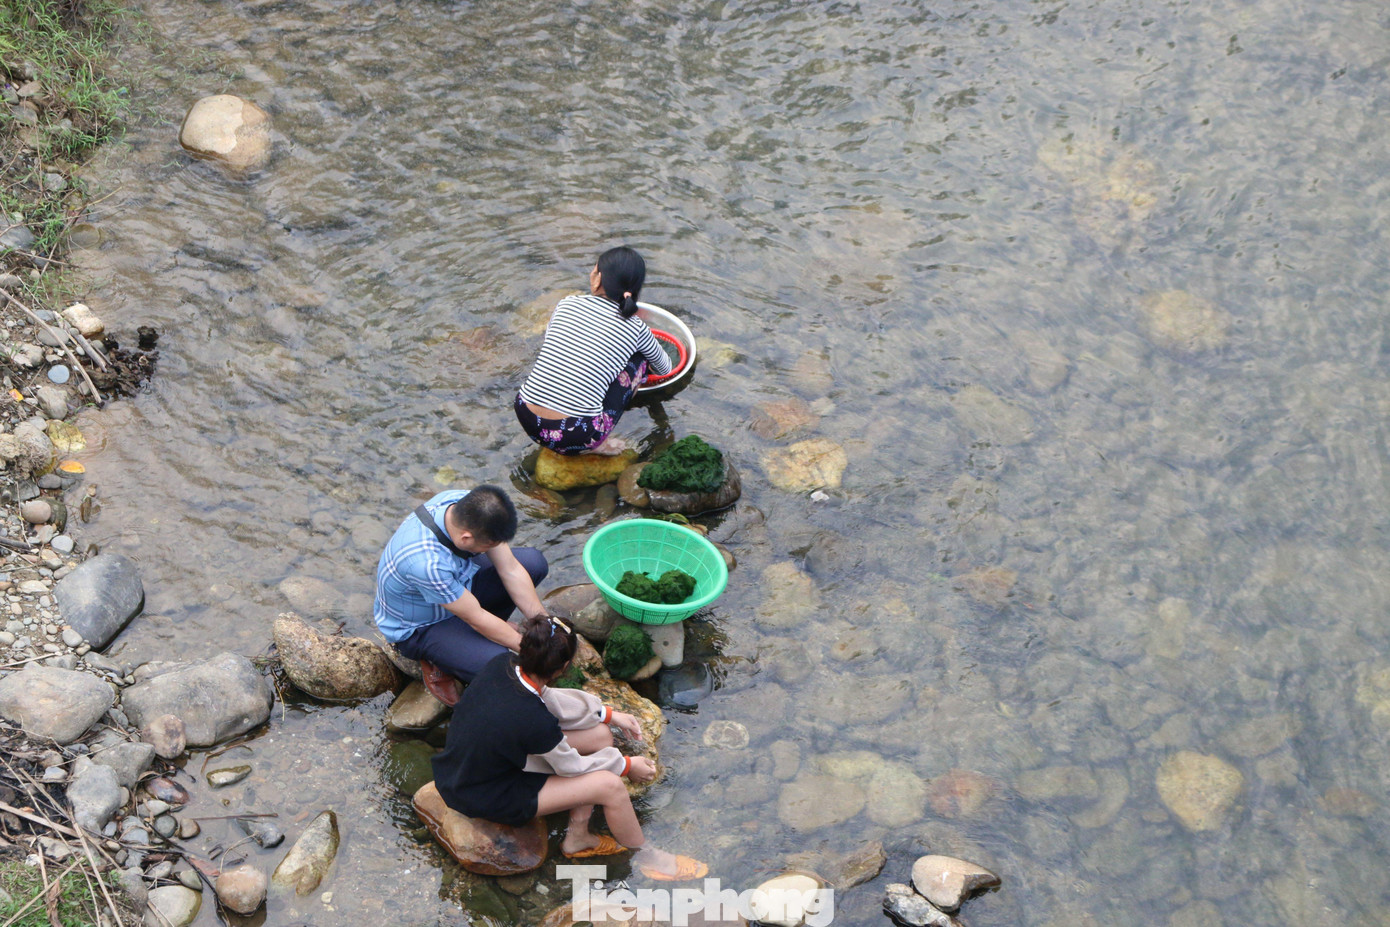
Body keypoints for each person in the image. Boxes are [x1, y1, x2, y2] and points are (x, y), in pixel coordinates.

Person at [432, 613, 707, 881]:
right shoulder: (533, 720)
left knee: (600, 736)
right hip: (484, 792)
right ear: (561, 669)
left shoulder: (503, 664)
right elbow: (571, 766)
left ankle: (578, 837)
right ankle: (648, 855)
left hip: (473, 764)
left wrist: (608, 715)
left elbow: (549, 698)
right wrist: (626, 765)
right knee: (609, 786)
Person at [373, 484, 548, 693]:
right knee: (506, 671)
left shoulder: (463, 503)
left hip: (457, 589)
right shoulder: (427, 563)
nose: (491, 550)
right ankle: (439, 657)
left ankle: (481, 637)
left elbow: (510, 569)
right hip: (423, 626)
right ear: (466, 538)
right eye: (488, 546)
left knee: (533, 564)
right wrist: (534, 652)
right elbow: (476, 618)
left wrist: (545, 625)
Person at [515, 246, 673, 456]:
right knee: (641, 362)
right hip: (575, 435)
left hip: (526, 415)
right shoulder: (636, 327)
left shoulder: (566, 304)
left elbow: (554, 341)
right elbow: (665, 369)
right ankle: (598, 446)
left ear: (598, 279)